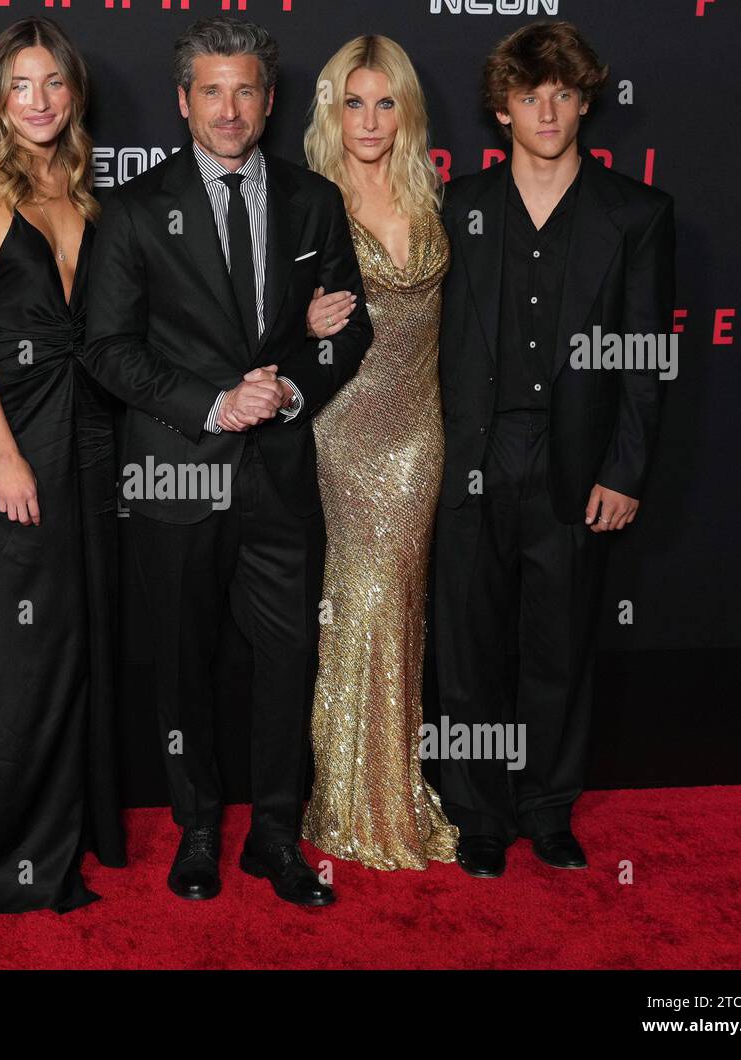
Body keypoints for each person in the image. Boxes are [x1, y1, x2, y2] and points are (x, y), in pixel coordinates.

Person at [85, 15, 373, 908]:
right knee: (186, 665)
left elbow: (347, 325)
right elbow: (106, 348)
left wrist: (288, 392)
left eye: (245, 89)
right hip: (178, 476)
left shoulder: (313, 201)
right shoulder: (135, 210)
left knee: (288, 662)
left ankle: (277, 838)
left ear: (270, 99)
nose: (229, 107)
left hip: (281, 476)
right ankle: (200, 831)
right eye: (211, 90)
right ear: (183, 102)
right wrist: (214, 403)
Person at [434, 21, 674, 877]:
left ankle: (546, 807)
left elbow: (646, 353)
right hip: (474, 459)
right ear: (502, 108)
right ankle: (479, 815)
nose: (548, 110)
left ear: (584, 103)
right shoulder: (455, 207)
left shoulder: (636, 216)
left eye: (564, 94)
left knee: (561, 646)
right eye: (531, 94)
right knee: (468, 650)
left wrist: (625, 467)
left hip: (576, 468)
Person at [0, 16, 126, 916]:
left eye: (54, 84)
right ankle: (6, 859)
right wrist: (4, 455)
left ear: (73, 95)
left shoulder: (86, 194)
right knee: (21, 651)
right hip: (17, 435)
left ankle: (61, 846)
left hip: (89, 434)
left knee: (74, 644)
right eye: (22, 85)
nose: (40, 101)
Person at [298, 35, 460, 871]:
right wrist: (303, 320)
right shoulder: (308, 198)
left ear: (406, 109)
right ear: (332, 110)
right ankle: (349, 802)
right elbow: (258, 309)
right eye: (353, 102)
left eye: (385, 101)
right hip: (343, 428)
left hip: (418, 433)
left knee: (399, 602)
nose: (369, 119)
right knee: (355, 600)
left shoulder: (430, 196)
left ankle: (391, 790)